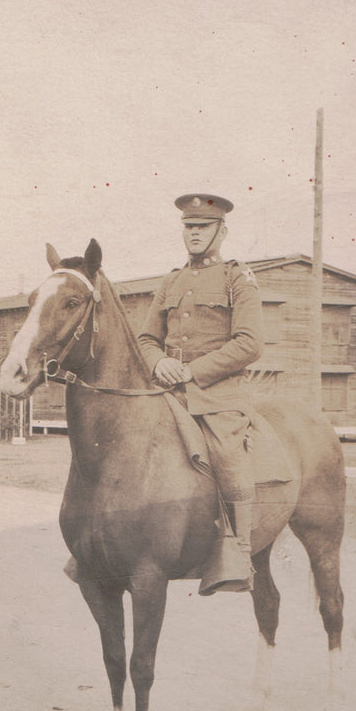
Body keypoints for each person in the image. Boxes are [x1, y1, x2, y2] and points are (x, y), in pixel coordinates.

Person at [138, 193, 264, 594]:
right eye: (188, 227)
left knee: (228, 456)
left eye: (202, 227)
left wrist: (192, 371)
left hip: (218, 396)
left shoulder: (235, 278)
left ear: (221, 231)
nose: (193, 234)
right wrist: (158, 362)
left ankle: (238, 553)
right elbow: (145, 338)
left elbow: (249, 343)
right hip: (165, 392)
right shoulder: (171, 280)